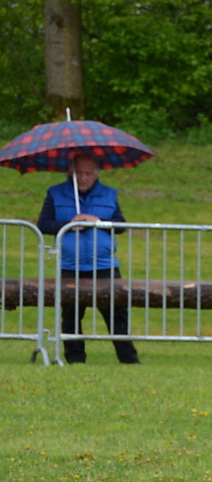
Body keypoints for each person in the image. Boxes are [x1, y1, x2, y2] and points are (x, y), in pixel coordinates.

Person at [37, 151, 139, 364]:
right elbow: (44, 224)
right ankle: (75, 359)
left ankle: (128, 359)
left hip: (105, 265)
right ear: (70, 171)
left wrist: (97, 221)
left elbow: (121, 225)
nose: (83, 178)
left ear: (97, 174)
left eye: (88, 173)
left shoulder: (109, 194)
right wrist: (69, 225)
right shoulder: (55, 193)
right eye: (79, 173)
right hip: (69, 265)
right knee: (71, 315)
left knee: (116, 313)